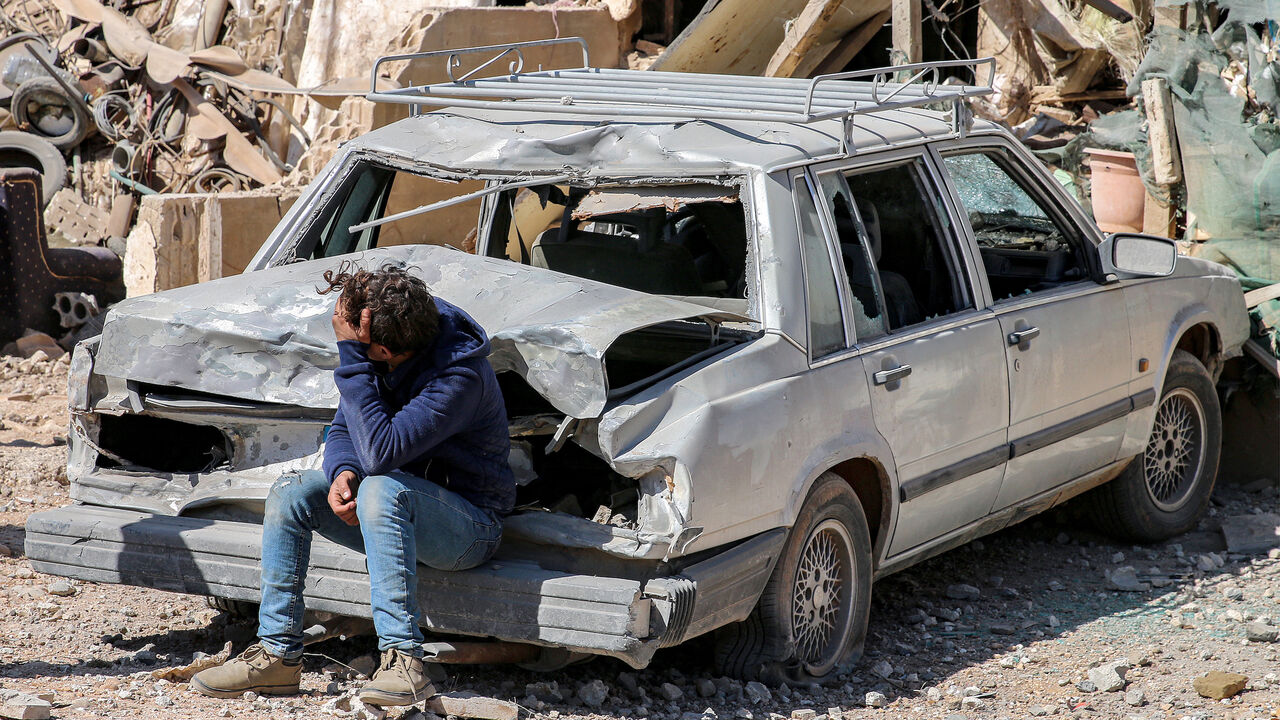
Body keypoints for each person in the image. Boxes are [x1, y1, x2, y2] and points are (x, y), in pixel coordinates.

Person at [192, 263, 516, 707]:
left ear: (382, 349)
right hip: (398, 512)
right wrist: (343, 471)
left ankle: (404, 661)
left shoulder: (459, 376)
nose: (345, 346)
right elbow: (347, 429)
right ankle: (276, 655)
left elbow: (382, 454)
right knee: (292, 491)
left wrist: (350, 355)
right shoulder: (394, 350)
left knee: (382, 486)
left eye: (355, 344)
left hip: (469, 529)